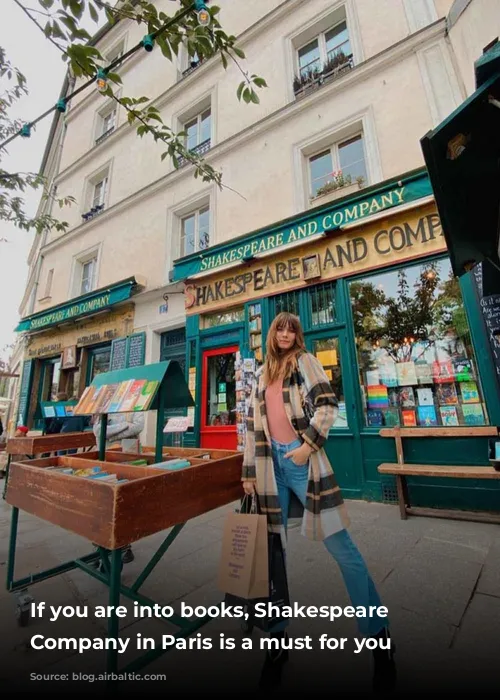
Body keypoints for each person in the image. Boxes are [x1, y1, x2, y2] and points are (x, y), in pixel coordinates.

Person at [242, 312, 396, 691]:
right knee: (271, 554)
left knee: (340, 545)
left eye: (291, 328)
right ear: (272, 333)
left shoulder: (305, 362)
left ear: (298, 334)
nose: (285, 333)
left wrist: (306, 445)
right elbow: (250, 424)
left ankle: (379, 638)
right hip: (267, 467)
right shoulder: (263, 373)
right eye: (280, 327)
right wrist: (248, 472)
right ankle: (276, 646)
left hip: (300, 462)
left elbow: (327, 406)